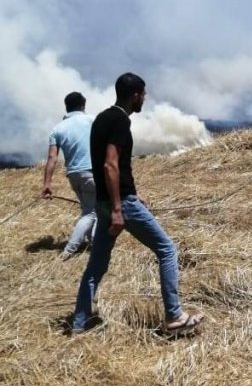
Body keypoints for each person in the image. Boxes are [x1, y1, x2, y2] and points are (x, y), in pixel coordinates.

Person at [72, 73, 202, 335]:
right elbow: (110, 164)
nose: (145, 98)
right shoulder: (120, 121)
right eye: (143, 94)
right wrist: (119, 207)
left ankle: (79, 323)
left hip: (104, 202)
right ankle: (174, 316)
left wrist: (131, 192)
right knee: (167, 249)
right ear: (135, 96)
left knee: (96, 266)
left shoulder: (102, 118)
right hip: (119, 204)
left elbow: (112, 166)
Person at [41, 92, 97, 261]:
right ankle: (69, 250)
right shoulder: (93, 120)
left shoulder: (57, 129)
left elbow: (52, 158)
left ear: (66, 107)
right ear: (83, 105)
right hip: (92, 172)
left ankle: (94, 244)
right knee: (92, 213)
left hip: (73, 175)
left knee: (89, 209)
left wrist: (47, 183)